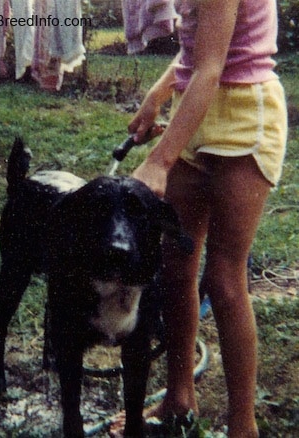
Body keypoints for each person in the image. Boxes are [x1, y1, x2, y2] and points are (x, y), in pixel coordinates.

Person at [119, 0, 287, 437]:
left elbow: (212, 68)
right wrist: (158, 95)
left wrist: (159, 161)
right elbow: (198, 49)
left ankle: (242, 427)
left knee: (225, 280)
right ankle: (178, 400)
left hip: (244, 114)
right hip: (196, 106)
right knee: (176, 266)